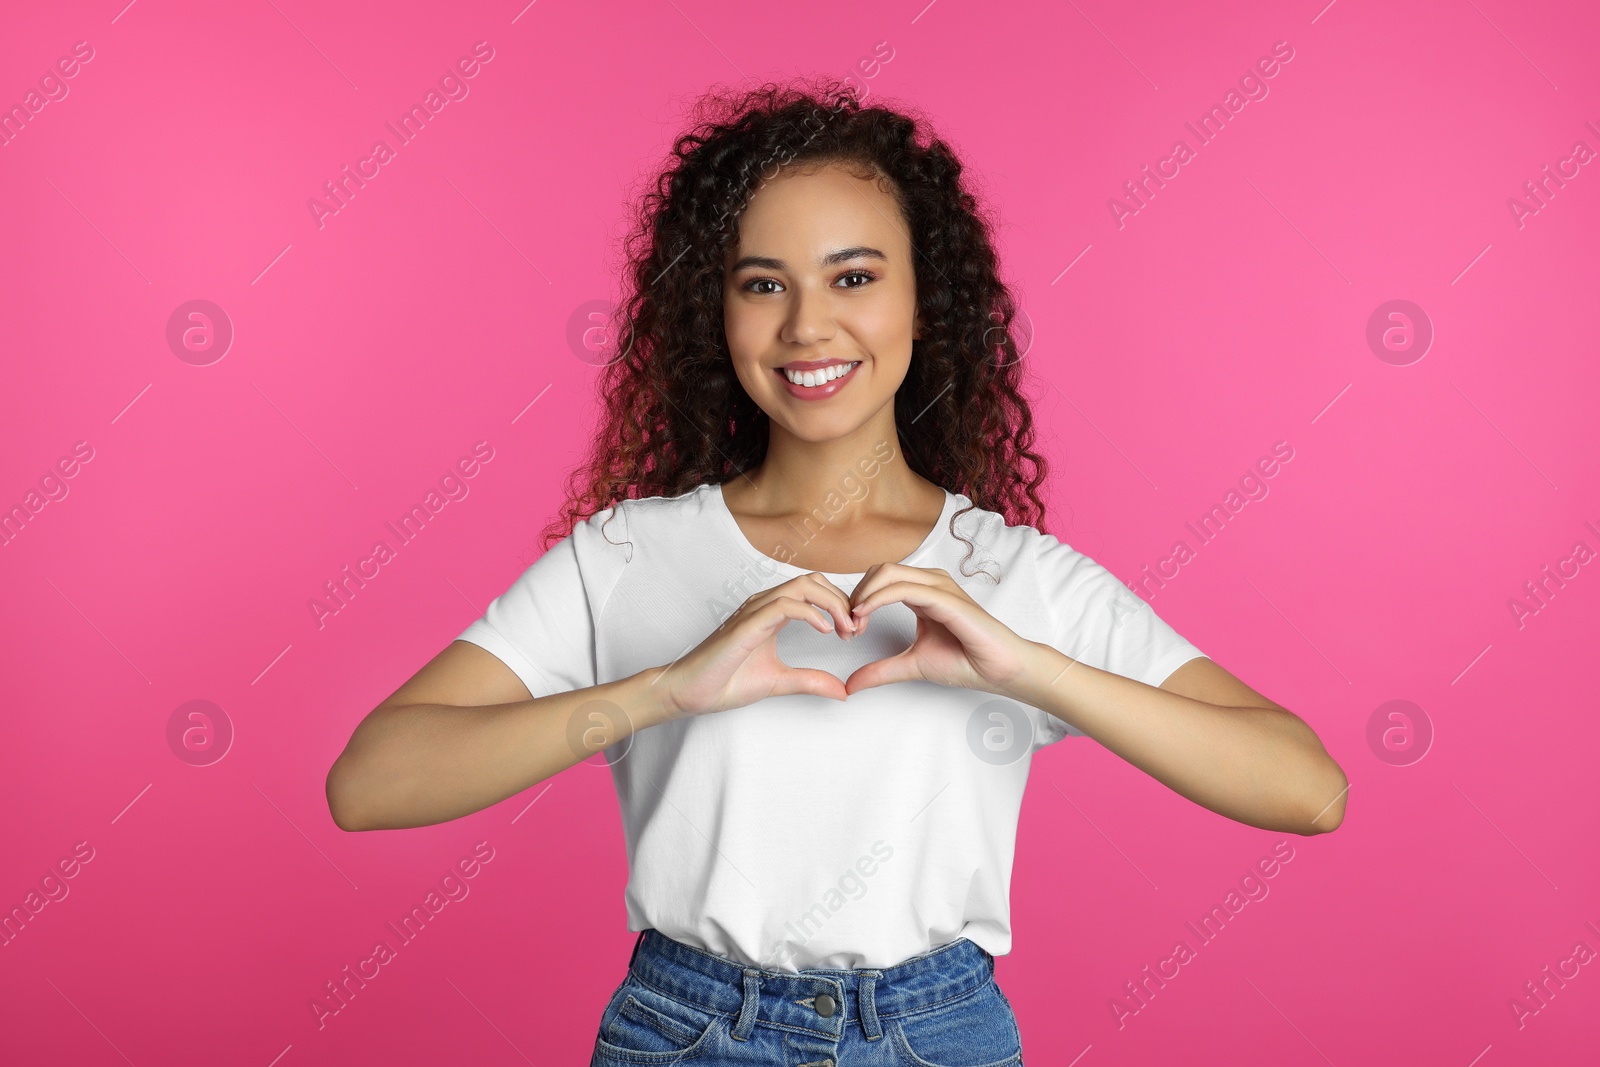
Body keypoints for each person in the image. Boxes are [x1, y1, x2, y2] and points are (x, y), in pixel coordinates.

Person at [324, 79, 1348, 1066]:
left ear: (923, 301)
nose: (807, 325)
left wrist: (1028, 670)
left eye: (853, 277)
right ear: (712, 313)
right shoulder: (628, 555)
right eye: (761, 283)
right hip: (683, 1033)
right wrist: (664, 690)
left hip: (935, 1033)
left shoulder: (1009, 574)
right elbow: (371, 781)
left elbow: (1306, 788)